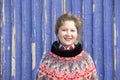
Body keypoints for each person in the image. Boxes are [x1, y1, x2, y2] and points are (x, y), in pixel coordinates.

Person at [36, 13, 98, 80]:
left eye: (72, 30)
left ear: (77, 34)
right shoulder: (47, 61)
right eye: (64, 30)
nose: (68, 34)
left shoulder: (86, 60)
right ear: (57, 33)